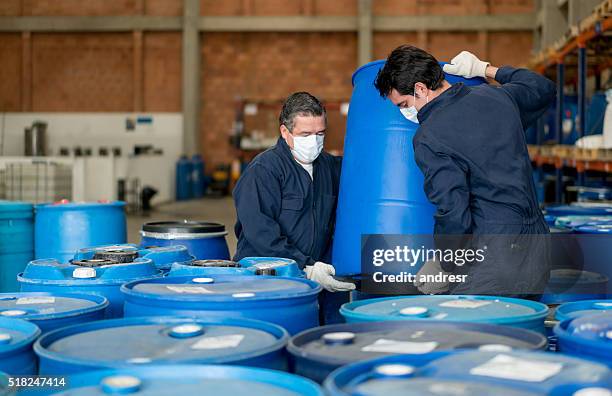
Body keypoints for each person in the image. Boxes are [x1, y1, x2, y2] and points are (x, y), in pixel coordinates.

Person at [374, 46, 555, 296]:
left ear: (420, 89)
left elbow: (453, 212)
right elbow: (542, 88)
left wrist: (445, 266)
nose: (406, 112)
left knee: (476, 332)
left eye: (404, 104)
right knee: (523, 331)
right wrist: (485, 68)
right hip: (537, 248)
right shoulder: (497, 97)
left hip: (494, 259)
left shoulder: (429, 136)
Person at [233, 91, 355, 294]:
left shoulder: (330, 167)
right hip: (266, 279)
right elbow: (261, 233)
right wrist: (303, 265)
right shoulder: (263, 171)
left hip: (314, 277)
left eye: (320, 134)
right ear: (284, 131)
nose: (314, 141)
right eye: (305, 135)